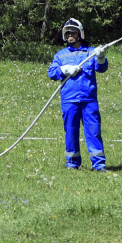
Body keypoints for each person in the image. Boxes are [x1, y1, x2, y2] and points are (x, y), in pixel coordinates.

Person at [47, 18, 109, 171]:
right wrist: (64, 69)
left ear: (80, 34)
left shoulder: (91, 52)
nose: (70, 35)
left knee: (93, 131)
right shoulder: (60, 55)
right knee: (71, 131)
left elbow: (102, 68)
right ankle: (73, 164)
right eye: (67, 33)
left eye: (73, 32)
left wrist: (101, 57)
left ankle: (99, 165)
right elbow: (51, 73)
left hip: (89, 100)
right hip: (69, 100)